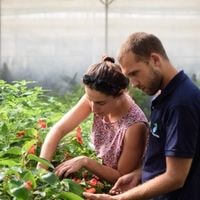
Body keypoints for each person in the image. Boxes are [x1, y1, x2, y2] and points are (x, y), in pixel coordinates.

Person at [83, 32, 200, 199]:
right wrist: (140, 173)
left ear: (155, 60)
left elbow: (175, 177)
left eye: (134, 73)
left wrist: (121, 198)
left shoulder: (181, 103)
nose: (133, 83)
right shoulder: (164, 96)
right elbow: (165, 159)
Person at [37, 56, 148, 184]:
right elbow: (59, 129)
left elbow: (122, 178)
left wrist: (85, 161)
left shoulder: (134, 126)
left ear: (120, 93)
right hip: (99, 177)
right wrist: (41, 169)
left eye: (101, 103)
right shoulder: (95, 97)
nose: (94, 108)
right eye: (90, 100)